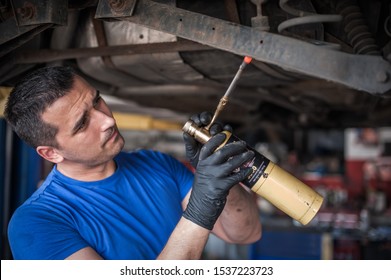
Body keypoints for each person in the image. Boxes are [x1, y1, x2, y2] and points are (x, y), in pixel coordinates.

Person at [4, 66, 261, 260]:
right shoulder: (36, 223)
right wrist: (201, 208)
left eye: (97, 101)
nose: (107, 120)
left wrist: (221, 174)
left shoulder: (156, 165)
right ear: (51, 154)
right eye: (82, 123)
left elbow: (246, 233)